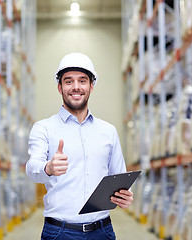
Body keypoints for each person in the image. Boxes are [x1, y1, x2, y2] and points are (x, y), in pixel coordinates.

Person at [26, 52, 133, 240]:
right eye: (69, 81)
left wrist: (125, 195)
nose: (76, 87)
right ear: (59, 87)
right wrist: (48, 167)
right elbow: (32, 168)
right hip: (59, 232)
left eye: (82, 81)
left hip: (102, 231)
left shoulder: (108, 131)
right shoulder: (44, 128)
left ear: (91, 86)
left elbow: (119, 176)